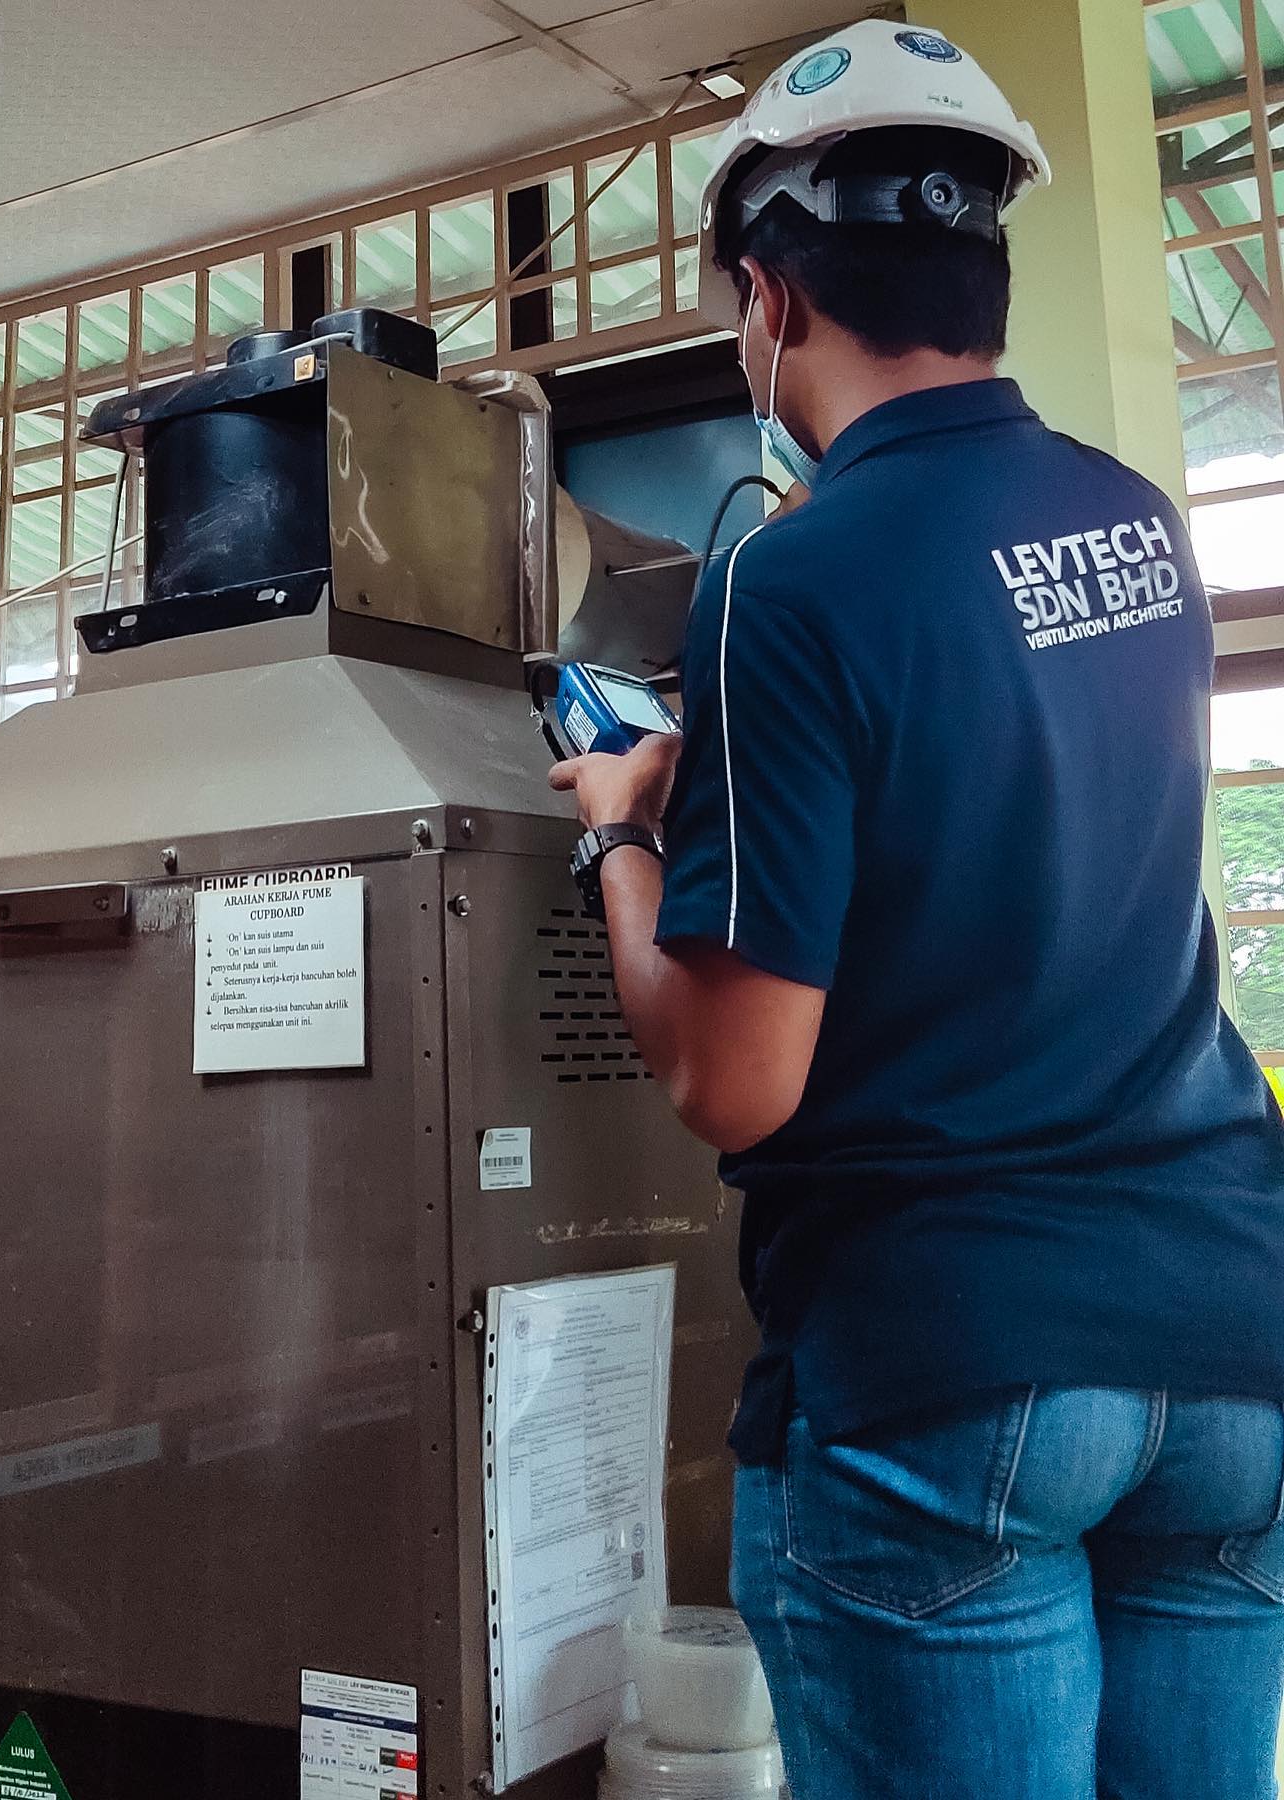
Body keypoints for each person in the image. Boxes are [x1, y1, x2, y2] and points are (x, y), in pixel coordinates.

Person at [548, 19, 1284, 1798]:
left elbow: (739, 1081)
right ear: (991, 272)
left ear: (769, 295)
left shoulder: (782, 584)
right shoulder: (1135, 528)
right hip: (1231, 1344)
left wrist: (618, 836)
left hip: (959, 1366)